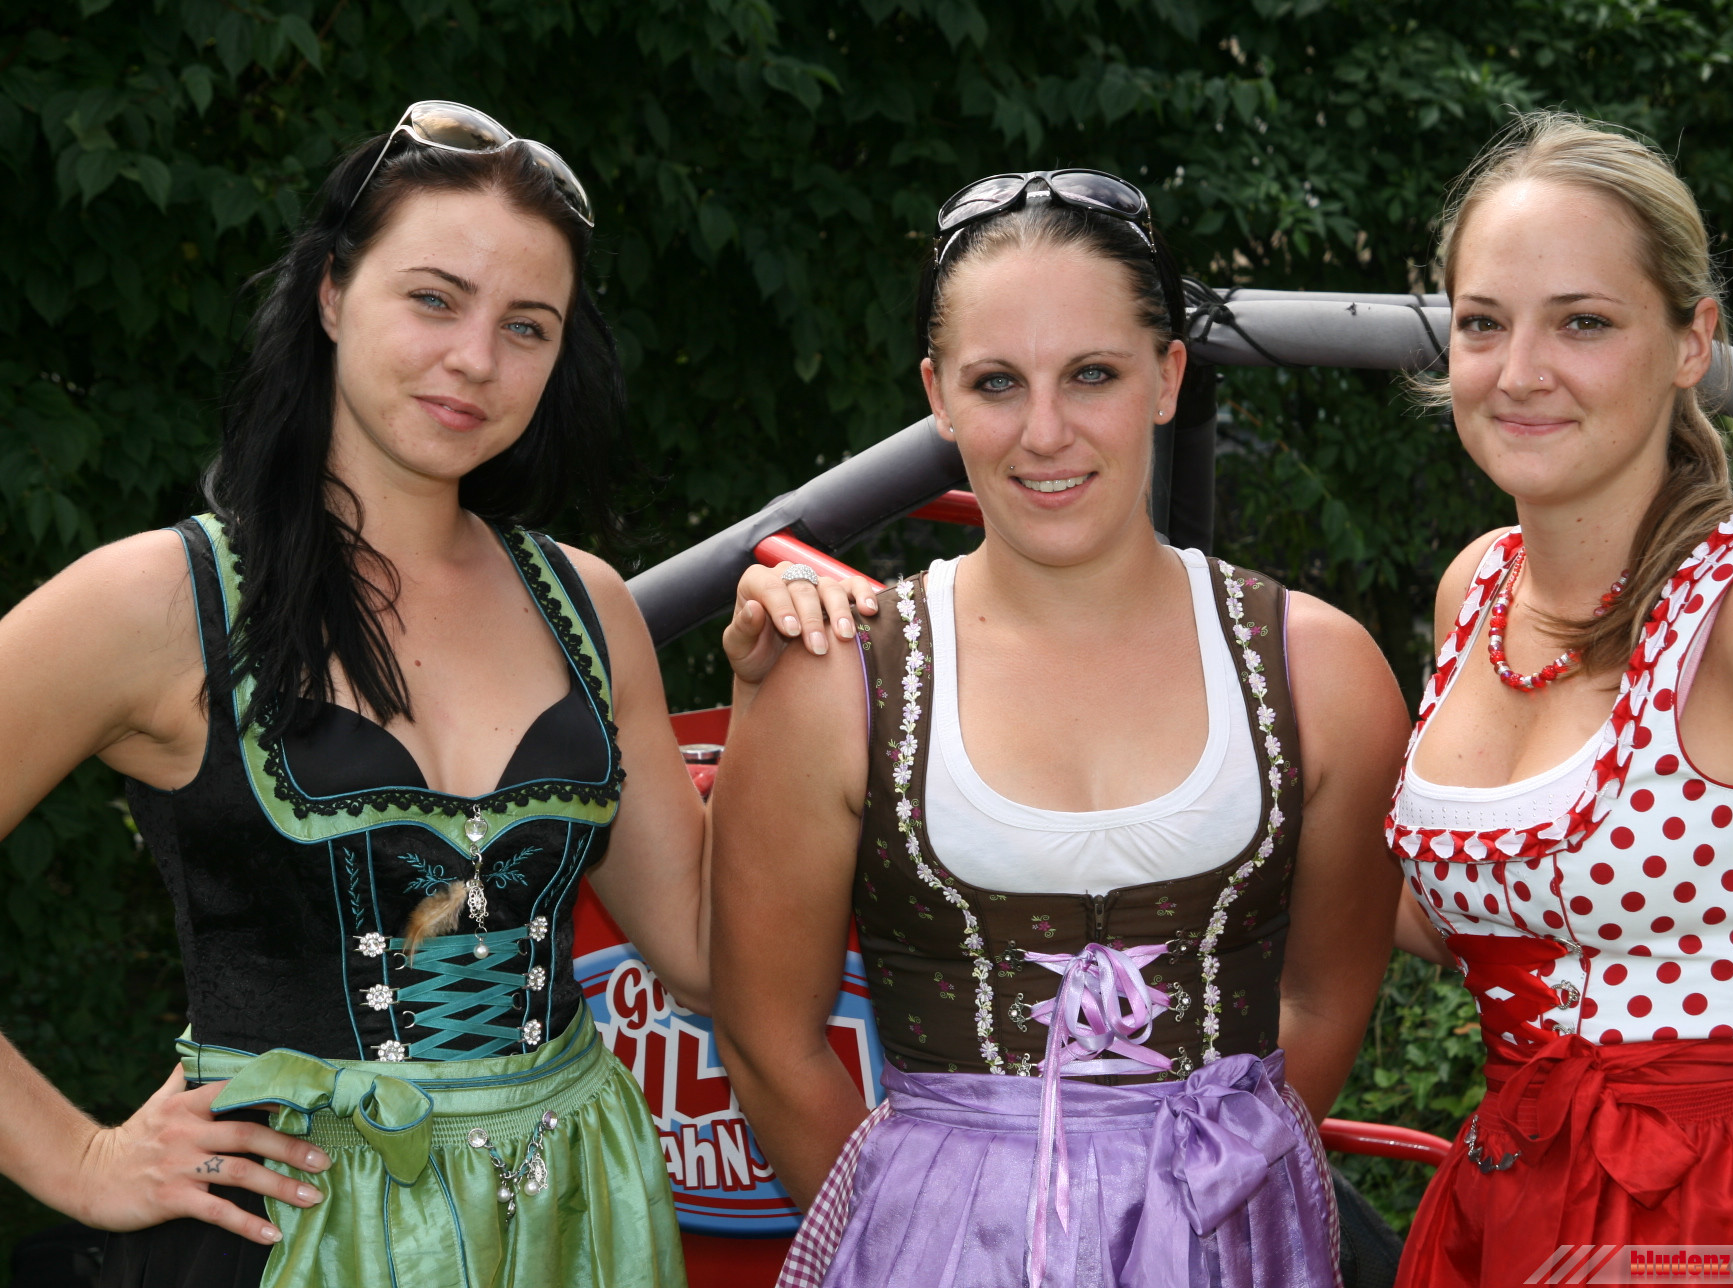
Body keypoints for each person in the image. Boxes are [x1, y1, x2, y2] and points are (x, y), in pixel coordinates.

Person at [0, 101, 871, 1288]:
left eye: (526, 326)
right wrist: (80, 1158)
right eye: (433, 299)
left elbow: (713, 958)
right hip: (291, 1239)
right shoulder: (157, 601)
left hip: (574, 1227)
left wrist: (768, 697)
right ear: (331, 294)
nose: (476, 360)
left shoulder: (587, 605)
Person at [709, 169, 1409, 1288]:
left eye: (1092, 374)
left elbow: (1324, 999)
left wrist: (1210, 1200)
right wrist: (916, 1225)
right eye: (997, 382)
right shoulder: (837, 677)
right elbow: (767, 1036)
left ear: (1167, 376)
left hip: (1233, 1234)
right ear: (938, 396)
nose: (1045, 433)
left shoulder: (1319, 669)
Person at [1384, 112, 1733, 1287]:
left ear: (1692, 341)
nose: (1519, 371)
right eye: (1482, 323)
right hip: (1510, 1213)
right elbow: (1496, 912)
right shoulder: (1475, 589)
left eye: (1582, 321)